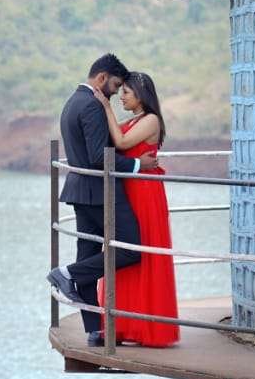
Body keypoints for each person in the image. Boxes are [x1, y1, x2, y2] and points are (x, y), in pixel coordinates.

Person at [46, 54, 158, 346]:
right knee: (131, 250)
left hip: (80, 191)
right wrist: (138, 165)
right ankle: (66, 273)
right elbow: (99, 158)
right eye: (116, 85)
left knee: (88, 256)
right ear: (102, 78)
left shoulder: (72, 102)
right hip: (100, 192)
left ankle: (95, 331)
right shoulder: (92, 106)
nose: (116, 92)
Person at [91, 70, 179, 347]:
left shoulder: (151, 120)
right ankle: (125, 323)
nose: (121, 97)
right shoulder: (134, 120)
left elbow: (122, 142)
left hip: (144, 192)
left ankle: (147, 326)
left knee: (142, 251)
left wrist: (105, 106)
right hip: (129, 189)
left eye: (126, 93)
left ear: (141, 95)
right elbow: (114, 137)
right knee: (125, 253)